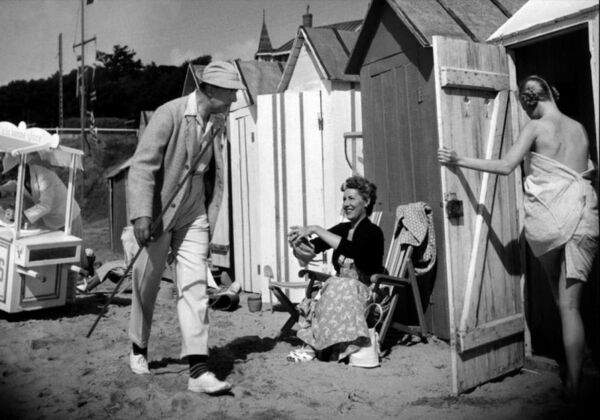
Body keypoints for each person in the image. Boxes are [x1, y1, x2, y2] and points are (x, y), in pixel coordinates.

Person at [437, 75, 598, 400]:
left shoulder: (536, 127)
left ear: (528, 101)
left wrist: (458, 160)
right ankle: (580, 362)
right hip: (584, 218)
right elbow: (588, 169)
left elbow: (507, 165)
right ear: (553, 93)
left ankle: (573, 383)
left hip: (552, 221)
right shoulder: (580, 128)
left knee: (563, 303)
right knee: (570, 304)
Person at [126, 60, 244, 395]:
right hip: (161, 208)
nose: (235, 98)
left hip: (193, 209)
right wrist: (142, 215)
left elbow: (213, 173)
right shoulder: (170, 113)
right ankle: (138, 347)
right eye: (231, 91)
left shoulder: (217, 122)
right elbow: (142, 166)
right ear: (211, 89)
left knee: (194, 285)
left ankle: (198, 371)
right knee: (146, 283)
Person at [286, 175, 384, 363]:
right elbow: (313, 248)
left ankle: (314, 347)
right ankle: (317, 346)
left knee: (339, 285)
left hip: (363, 293)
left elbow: (353, 250)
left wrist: (316, 228)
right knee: (335, 285)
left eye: (351, 198)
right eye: (344, 199)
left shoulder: (373, 232)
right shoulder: (342, 229)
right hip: (339, 292)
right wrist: (297, 244)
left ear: (366, 201)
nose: (346, 204)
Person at [0, 154, 84, 302]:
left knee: (69, 259)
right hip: (51, 221)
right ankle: (51, 296)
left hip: (68, 217)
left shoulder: (44, 177)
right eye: (10, 174)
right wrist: (1, 190)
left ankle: (69, 300)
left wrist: (21, 216)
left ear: (21, 167)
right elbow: (12, 185)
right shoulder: (22, 177)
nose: (11, 176)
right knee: (51, 258)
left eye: (12, 172)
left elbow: (45, 205)